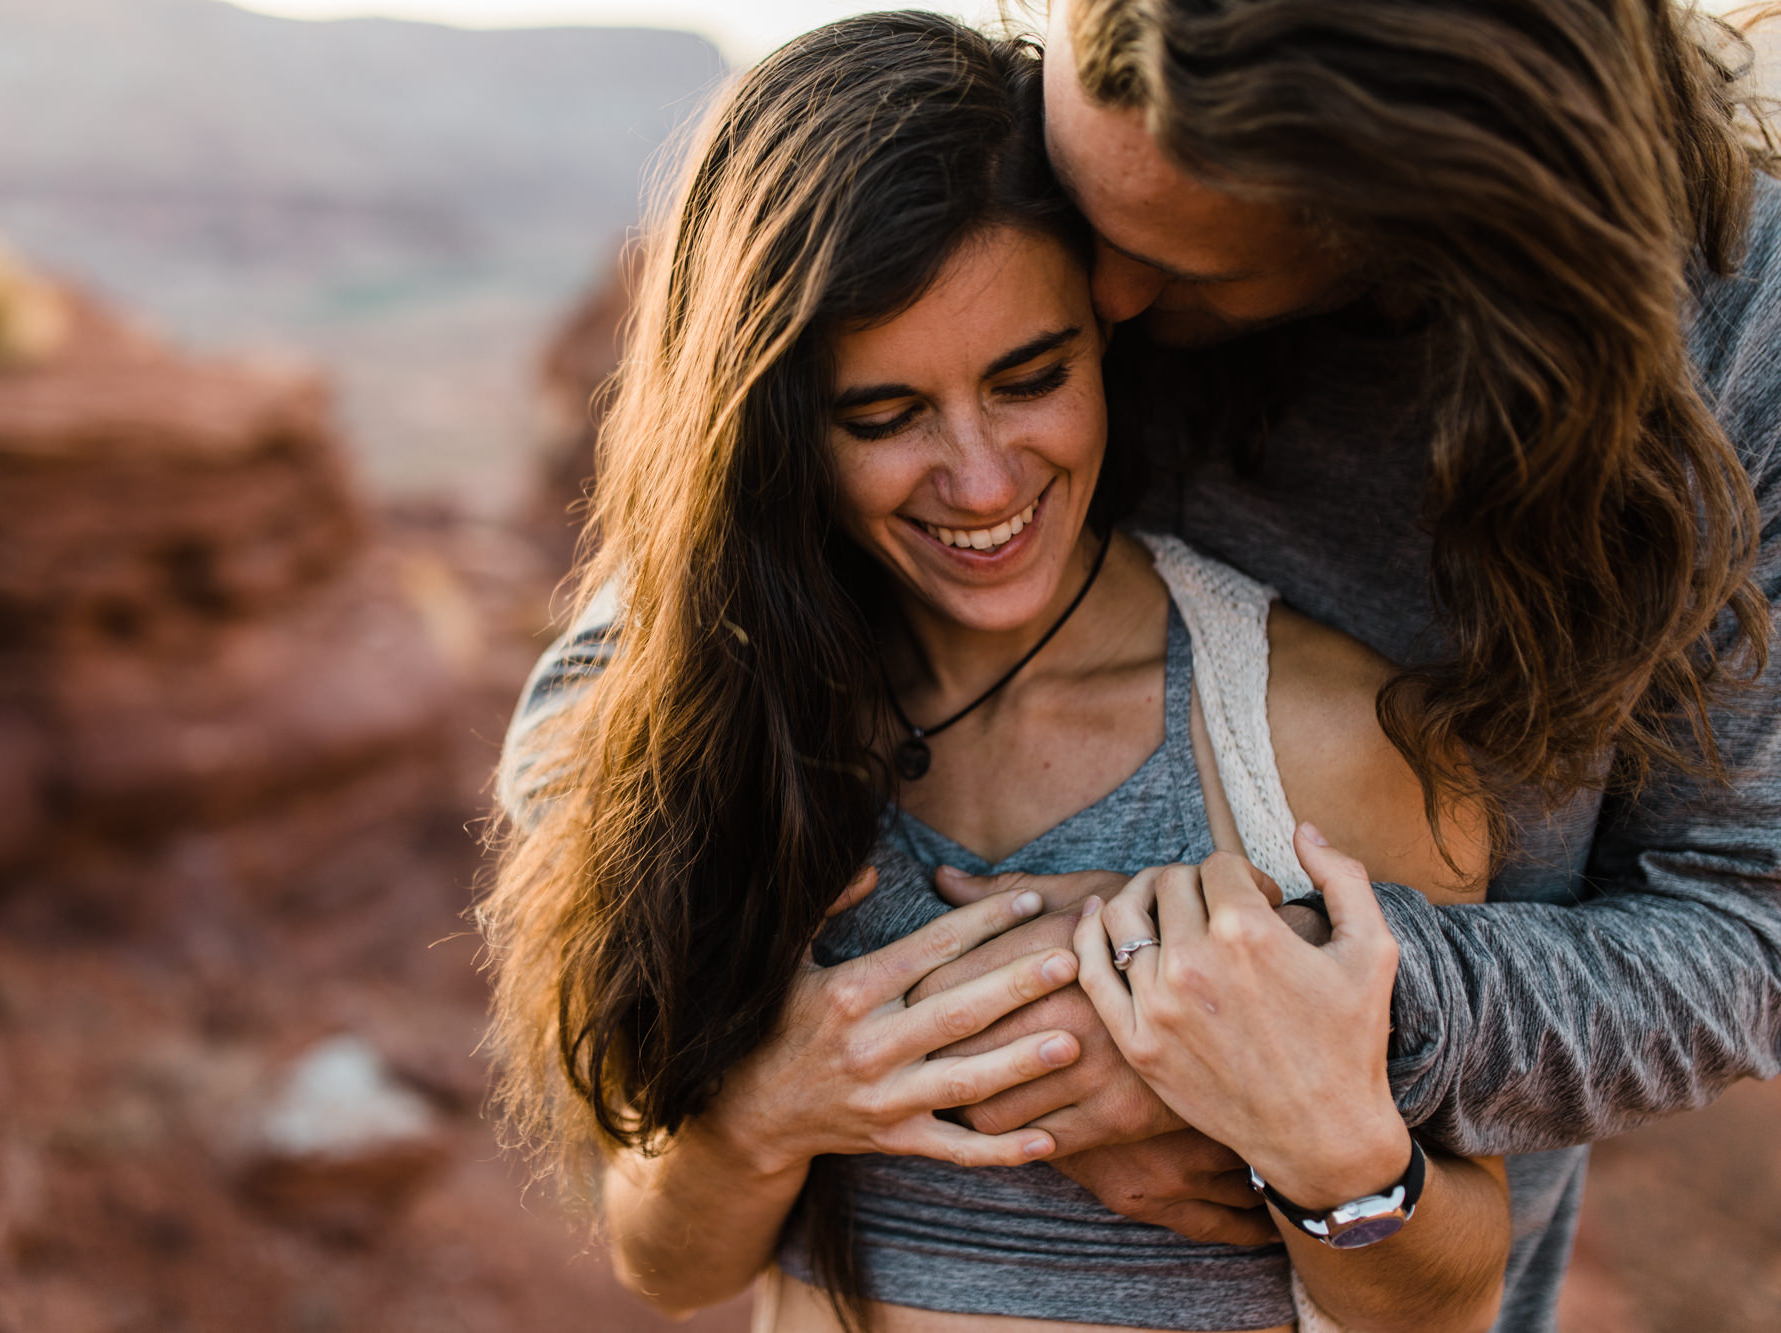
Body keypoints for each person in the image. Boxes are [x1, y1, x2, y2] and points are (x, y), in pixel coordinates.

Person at [485, 13, 1515, 1332]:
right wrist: (762, 1111)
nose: (980, 481)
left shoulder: (1315, 740)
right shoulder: (726, 728)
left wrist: (1309, 1146)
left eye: (1032, 376)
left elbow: (1450, 1294)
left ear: (1108, 337)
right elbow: (669, 1262)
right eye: (883, 414)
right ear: (772, 432)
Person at [895, 2, 1781, 1330]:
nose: (1108, 302)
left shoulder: (1742, 341)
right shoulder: (1034, 166)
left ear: (1419, 216)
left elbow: (1742, 926)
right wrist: (772, 1046)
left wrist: (1271, 1019)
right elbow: (671, 619)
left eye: (1186, 274)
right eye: (1085, 211)